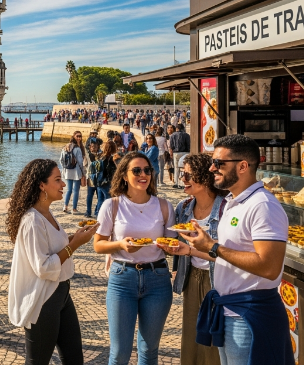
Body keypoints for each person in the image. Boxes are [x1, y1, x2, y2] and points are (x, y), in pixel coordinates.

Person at [181, 135, 293, 365]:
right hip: (231, 311)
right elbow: (229, 255)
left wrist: (212, 246)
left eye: (219, 163)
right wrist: (193, 249)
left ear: (243, 166)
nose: (212, 168)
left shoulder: (262, 206)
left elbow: (270, 267)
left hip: (249, 315)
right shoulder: (234, 202)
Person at [7, 159, 97, 365]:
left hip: (62, 293)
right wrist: (75, 246)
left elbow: (54, 250)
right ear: (41, 185)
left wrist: (74, 238)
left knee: (74, 359)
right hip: (43, 299)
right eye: (57, 180)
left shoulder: (46, 213)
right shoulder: (32, 221)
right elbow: (44, 267)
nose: (64, 184)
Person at [93, 151, 174, 365]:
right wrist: (120, 244)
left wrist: (170, 246)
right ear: (124, 175)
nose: (143, 174)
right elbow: (98, 245)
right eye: (136, 170)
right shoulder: (112, 205)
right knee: (120, 353)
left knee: (149, 350)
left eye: (147, 170)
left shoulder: (164, 206)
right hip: (122, 277)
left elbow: (172, 245)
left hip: (157, 278)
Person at [156, 154, 226, 365]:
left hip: (219, 280)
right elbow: (180, 245)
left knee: (214, 336)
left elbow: (229, 255)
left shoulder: (226, 208)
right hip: (191, 277)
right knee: (192, 334)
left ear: (205, 177)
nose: (182, 178)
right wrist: (170, 251)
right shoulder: (184, 207)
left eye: (188, 174)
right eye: (182, 173)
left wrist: (188, 251)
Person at [59, 131, 85, 214]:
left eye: (80, 136)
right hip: (76, 172)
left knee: (69, 190)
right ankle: (74, 209)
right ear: (73, 136)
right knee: (76, 190)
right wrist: (83, 173)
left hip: (67, 171)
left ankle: (65, 207)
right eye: (77, 136)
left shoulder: (65, 147)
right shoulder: (77, 149)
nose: (79, 138)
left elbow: (61, 160)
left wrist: (64, 168)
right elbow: (80, 162)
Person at [84, 141, 102, 219]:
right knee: (90, 196)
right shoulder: (88, 155)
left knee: (99, 197)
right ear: (90, 147)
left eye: (95, 147)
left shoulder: (101, 155)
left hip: (99, 180)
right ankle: (88, 211)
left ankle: (96, 211)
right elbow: (84, 165)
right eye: (92, 147)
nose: (93, 148)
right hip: (91, 179)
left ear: (98, 147)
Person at [169, 123, 191, 189]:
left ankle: (176, 183)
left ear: (176, 128)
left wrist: (171, 153)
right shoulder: (187, 135)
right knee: (184, 168)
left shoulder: (173, 135)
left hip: (176, 153)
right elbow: (189, 145)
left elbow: (171, 146)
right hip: (185, 152)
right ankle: (184, 182)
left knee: (176, 168)